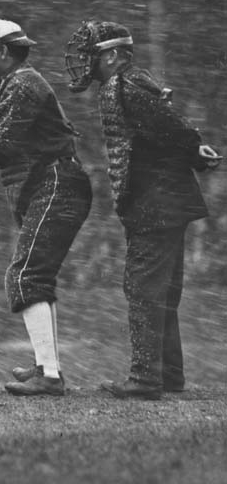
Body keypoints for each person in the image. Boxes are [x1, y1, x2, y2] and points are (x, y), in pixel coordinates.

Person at [64, 20, 222, 400]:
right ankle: (168, 375)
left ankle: (145, 378)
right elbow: (169, 128)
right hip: (162, 200)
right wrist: (194, 150)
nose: (87, 63)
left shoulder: (126, 84)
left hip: (156, 201)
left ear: (114, 56)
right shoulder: (128, 83)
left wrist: (193, 148)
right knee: (162, 290)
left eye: (93, 56)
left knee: (142, 288)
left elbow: (168, 125)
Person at [0, 19, 93, 396]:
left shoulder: (24, 83)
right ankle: (48, 367)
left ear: (1, 51)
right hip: (52, 181)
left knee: (26, 276)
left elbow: (2, 148)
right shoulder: (18, 83)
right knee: (35, 276)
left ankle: (49, 375)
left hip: (56, 182)